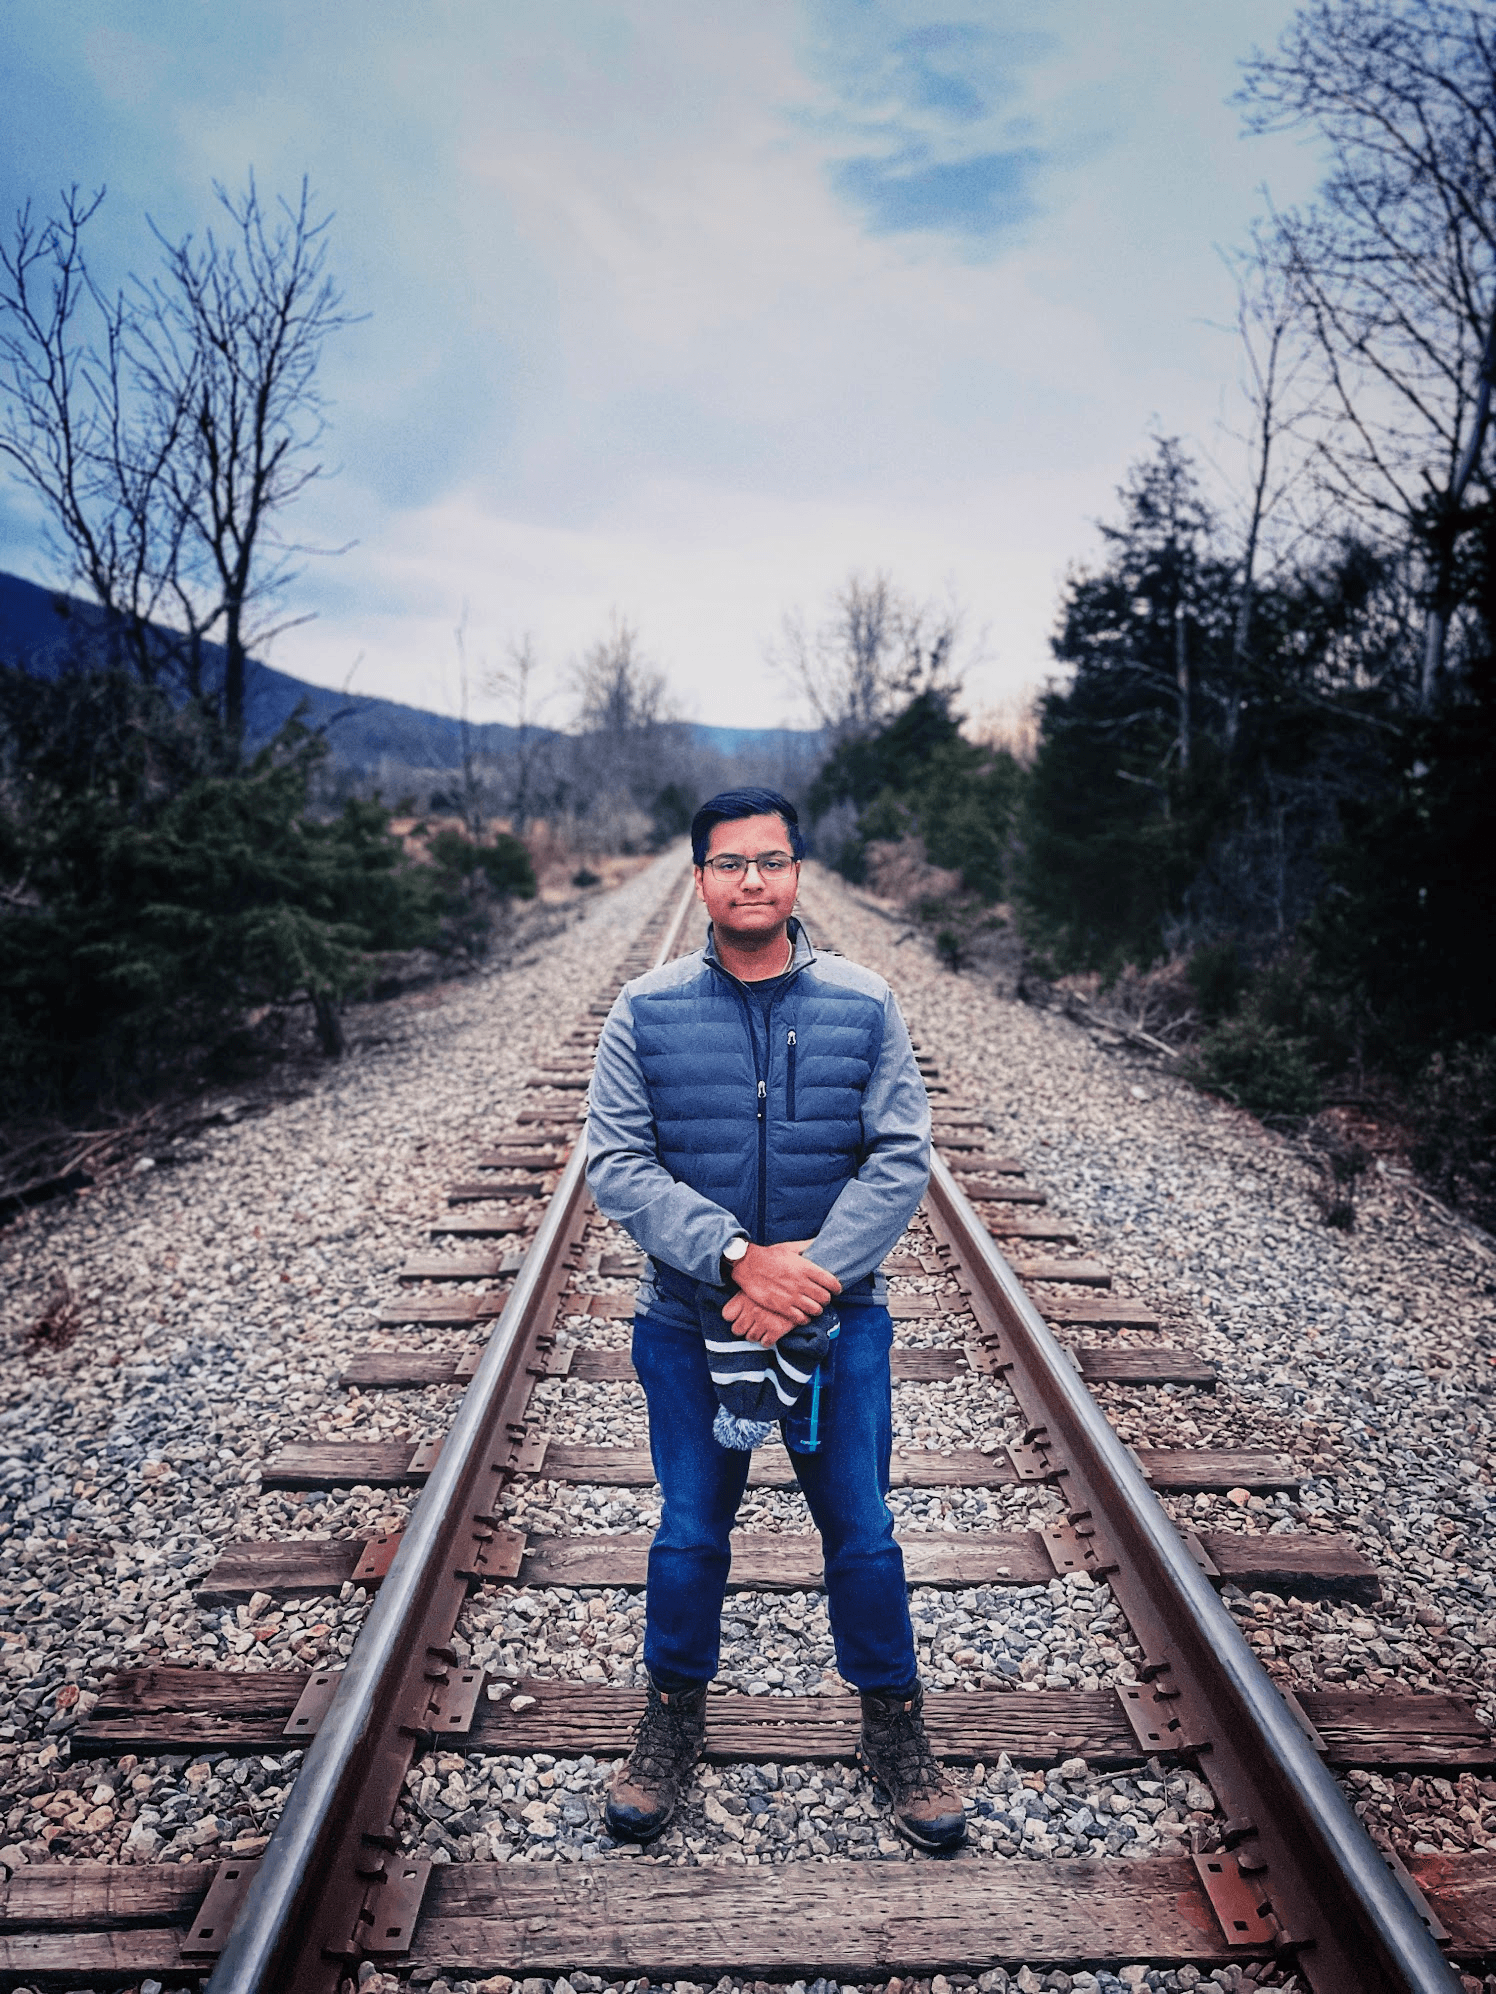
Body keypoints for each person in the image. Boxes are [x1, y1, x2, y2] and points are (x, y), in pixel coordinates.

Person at [584, 785, 965, 1852]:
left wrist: (817, 1274)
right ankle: (669, 1722)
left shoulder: (864, 999)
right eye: (728, 862)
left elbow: (900, 1152)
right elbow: (616, 1162)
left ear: (797, 873)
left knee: (862, 1532)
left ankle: (895, 1729)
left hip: (838, 1323)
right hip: (685, 1317)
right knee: (689, 1531)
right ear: (697, 877)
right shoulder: (644, 1010)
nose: (750, 878)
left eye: (770, 860)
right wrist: (740, 1257)